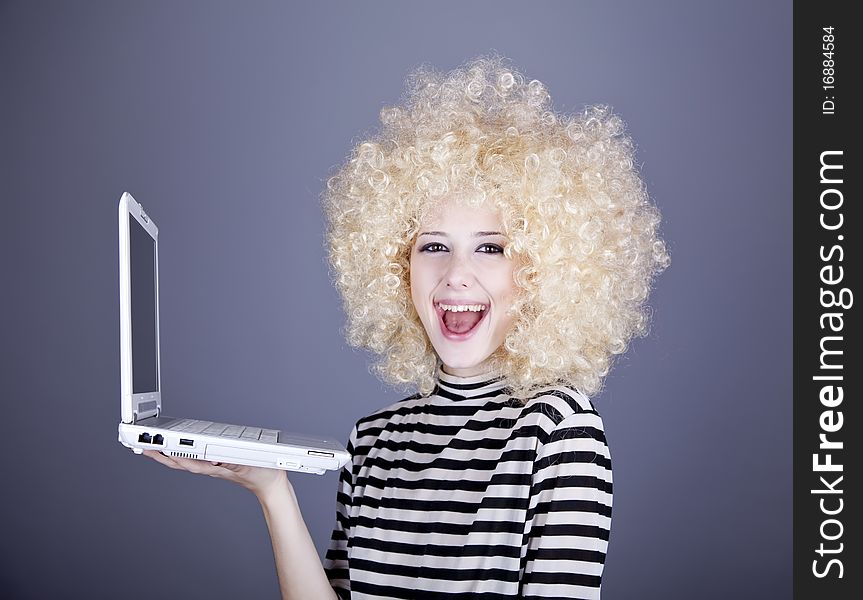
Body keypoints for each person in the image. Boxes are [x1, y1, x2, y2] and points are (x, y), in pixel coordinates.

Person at [145, 54, 669, 600]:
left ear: (541, 272)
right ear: (400, 266)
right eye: (433, 246)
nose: (456, 274)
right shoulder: (371, 441)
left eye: (491, 248)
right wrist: (273, 490)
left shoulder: (558, 433)